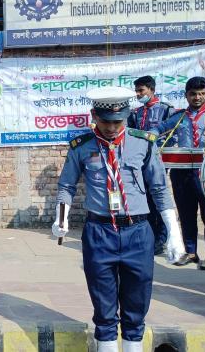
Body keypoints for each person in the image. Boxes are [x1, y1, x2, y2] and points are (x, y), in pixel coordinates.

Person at [53, 87, 184, 352]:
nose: (112, 128)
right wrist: (61, 217)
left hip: (138, 233)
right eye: (106, 122)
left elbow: (159, 189)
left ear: (127, 115)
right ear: (94, 116)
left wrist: (174, 233)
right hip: (99, 233)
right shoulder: (81, 147)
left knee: (137, 303)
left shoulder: (143, 143)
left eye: (118, 121)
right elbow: (66, 186)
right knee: (104, 306)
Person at [155, 76, 205, 270]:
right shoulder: (178, 117)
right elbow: (159, 129)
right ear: (186, 95)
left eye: (201, 94)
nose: (197, 97)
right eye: (193, 94)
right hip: (181, 172)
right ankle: (191, 252)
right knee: (186, 213)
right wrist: (150, 135)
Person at [127, 75, 174, 256]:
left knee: (158, 197)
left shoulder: (166, 110)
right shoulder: (136, 113)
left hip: (159, 160)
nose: (138, 94)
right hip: (141, 160)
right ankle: (149, 237)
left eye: (141, 90)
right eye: (137, 91)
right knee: (145, 199)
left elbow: (174, 131)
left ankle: (161, 239)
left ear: (152, 90)